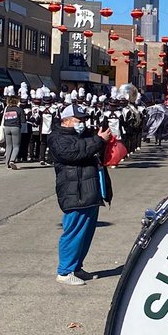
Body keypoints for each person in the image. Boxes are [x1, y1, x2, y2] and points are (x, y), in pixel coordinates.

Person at [49, 102, 112, 287]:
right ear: (66, 121)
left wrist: (101, 141)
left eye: (84, 119)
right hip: (74, 191)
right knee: (74, 231)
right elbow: (73, 153)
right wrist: (98, 141)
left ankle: (76, 267)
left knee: (86, 233)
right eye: (78, 120)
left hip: (90, 189)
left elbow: (89, 148)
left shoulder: (84, 135)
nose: (82, 123)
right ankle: (65, 271)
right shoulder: (57, 137)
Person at [1, 91, 24, 170]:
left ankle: (7, 162)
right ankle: (12, 160)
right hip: (15, 127)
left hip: (6, 127)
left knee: (8, 145)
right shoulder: (19, 109)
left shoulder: (7, 109)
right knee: (16, 146)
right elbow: (23, 120)